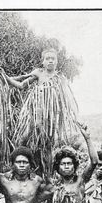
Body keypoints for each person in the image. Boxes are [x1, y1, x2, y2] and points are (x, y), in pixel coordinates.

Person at [13, 48, 78, 176]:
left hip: (50, 120)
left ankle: (47, 175)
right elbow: (21, 83)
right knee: (25, 139)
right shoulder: (38, 73)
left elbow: (64, 101)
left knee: (47, 146)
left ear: (57, 61)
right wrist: (5, 78)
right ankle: (19, 169)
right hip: (35, 114)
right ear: (42, 62)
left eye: (53, 59)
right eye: (47, 58)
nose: (50, 61)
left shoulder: (60, 78)